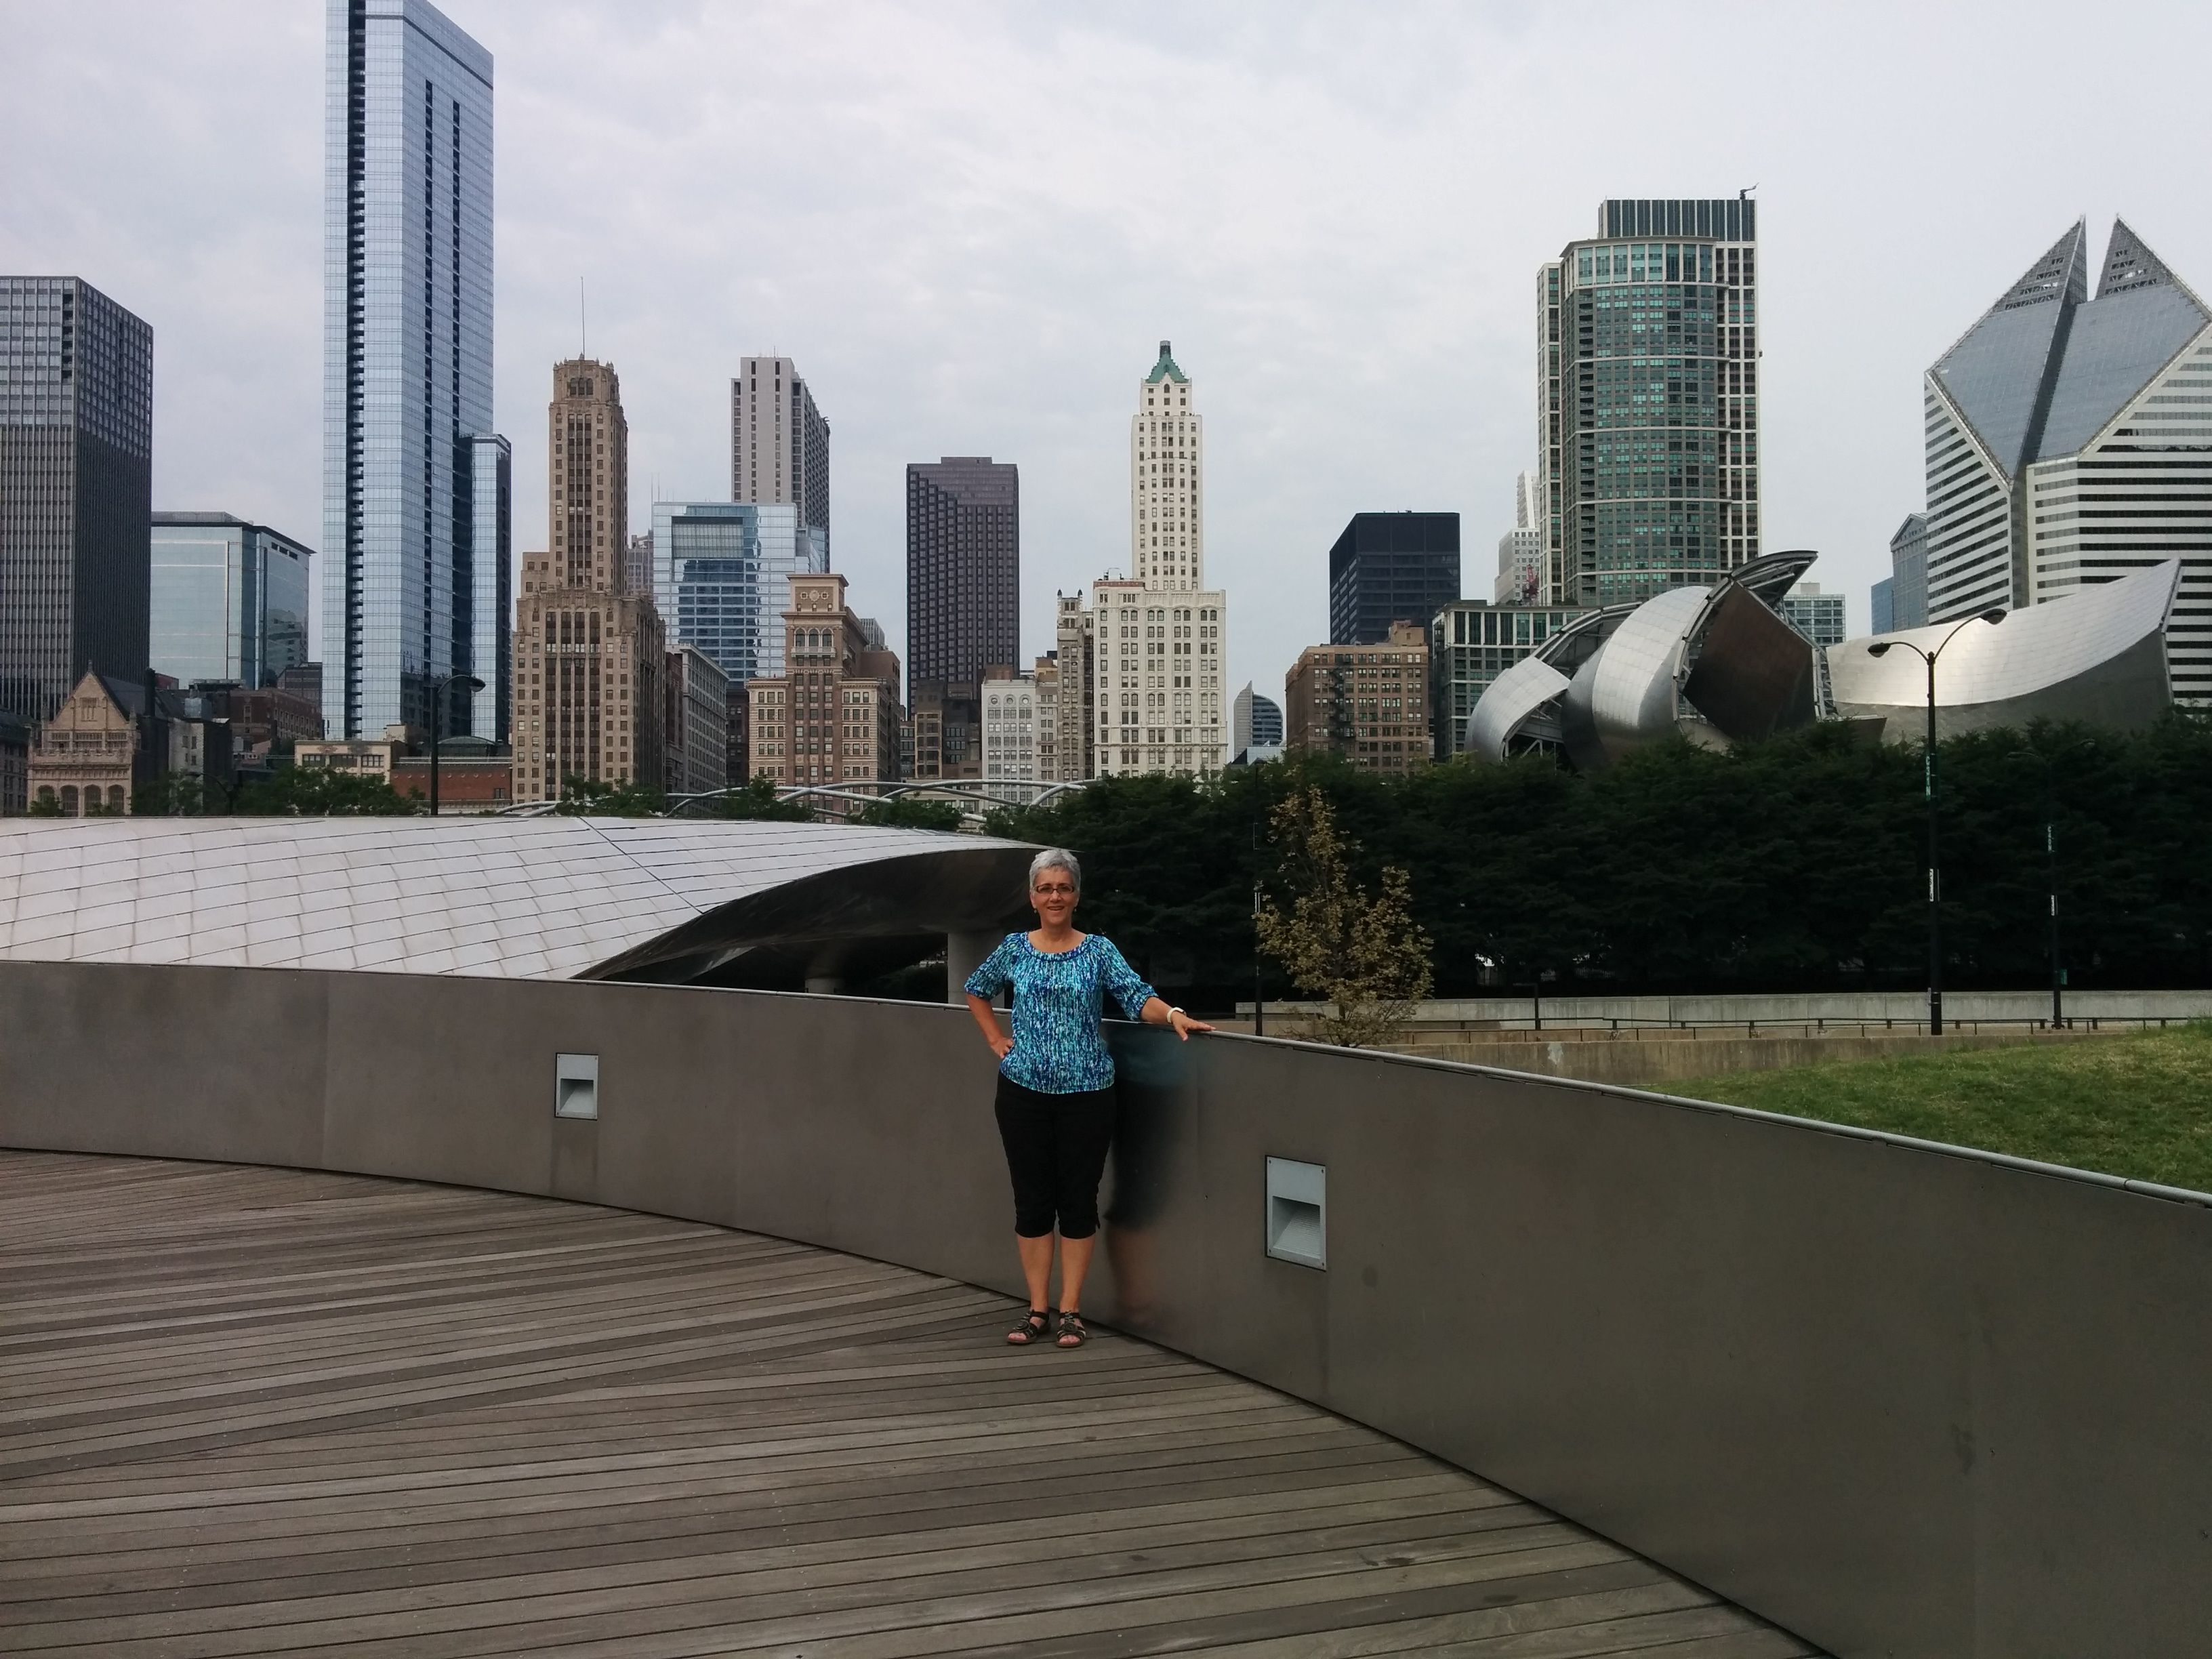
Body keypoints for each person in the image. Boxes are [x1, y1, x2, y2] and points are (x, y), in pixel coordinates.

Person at [964, 848, 1211, 1348]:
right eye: (1046, 888)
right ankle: (1037, 1310)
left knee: (1078, 1201)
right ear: (1033, 897)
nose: (1055, 896)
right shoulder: (1014, 948)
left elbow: (1136, 996)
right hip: (1023, 1093)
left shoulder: (1098, 950)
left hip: (1089, 1095)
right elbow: (976, 988)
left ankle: (1071, 1311)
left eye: (1064, 888)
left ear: (1076, 896)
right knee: (1032, 1201)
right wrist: (995, 1039)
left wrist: (1173, 1016)